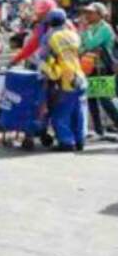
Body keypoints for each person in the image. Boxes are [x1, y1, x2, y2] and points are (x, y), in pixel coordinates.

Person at [41, 9, 87, 151]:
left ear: (50, 21)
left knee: (60, 113)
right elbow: (81, 52)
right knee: (77, 111)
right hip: (79, 76)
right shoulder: (73, 34)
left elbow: (45, 58)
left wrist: (45, 73)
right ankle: (79, 140)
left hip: (62, 78)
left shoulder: (49, 37)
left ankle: (67, 142)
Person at [79, 2, 118, 137]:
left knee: (104, 99)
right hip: (90, 67)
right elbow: (81, 48)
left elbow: (89, 44)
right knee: (91, 99)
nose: (87, 15)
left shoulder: (104, 28)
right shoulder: (91, 28)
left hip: (103, 68)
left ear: (100, 14)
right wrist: (87, 45)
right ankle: (98, 130)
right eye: (86, 12)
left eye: (91, 13)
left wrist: (87, 34)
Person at [11, 0, 60, 67]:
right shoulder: (43, 27)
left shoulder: (44, 28)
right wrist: (16, 59)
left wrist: (15, 60)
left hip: (57, 65)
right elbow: (31, 46)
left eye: (42, 14)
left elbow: (31, 46)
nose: (39, 17)